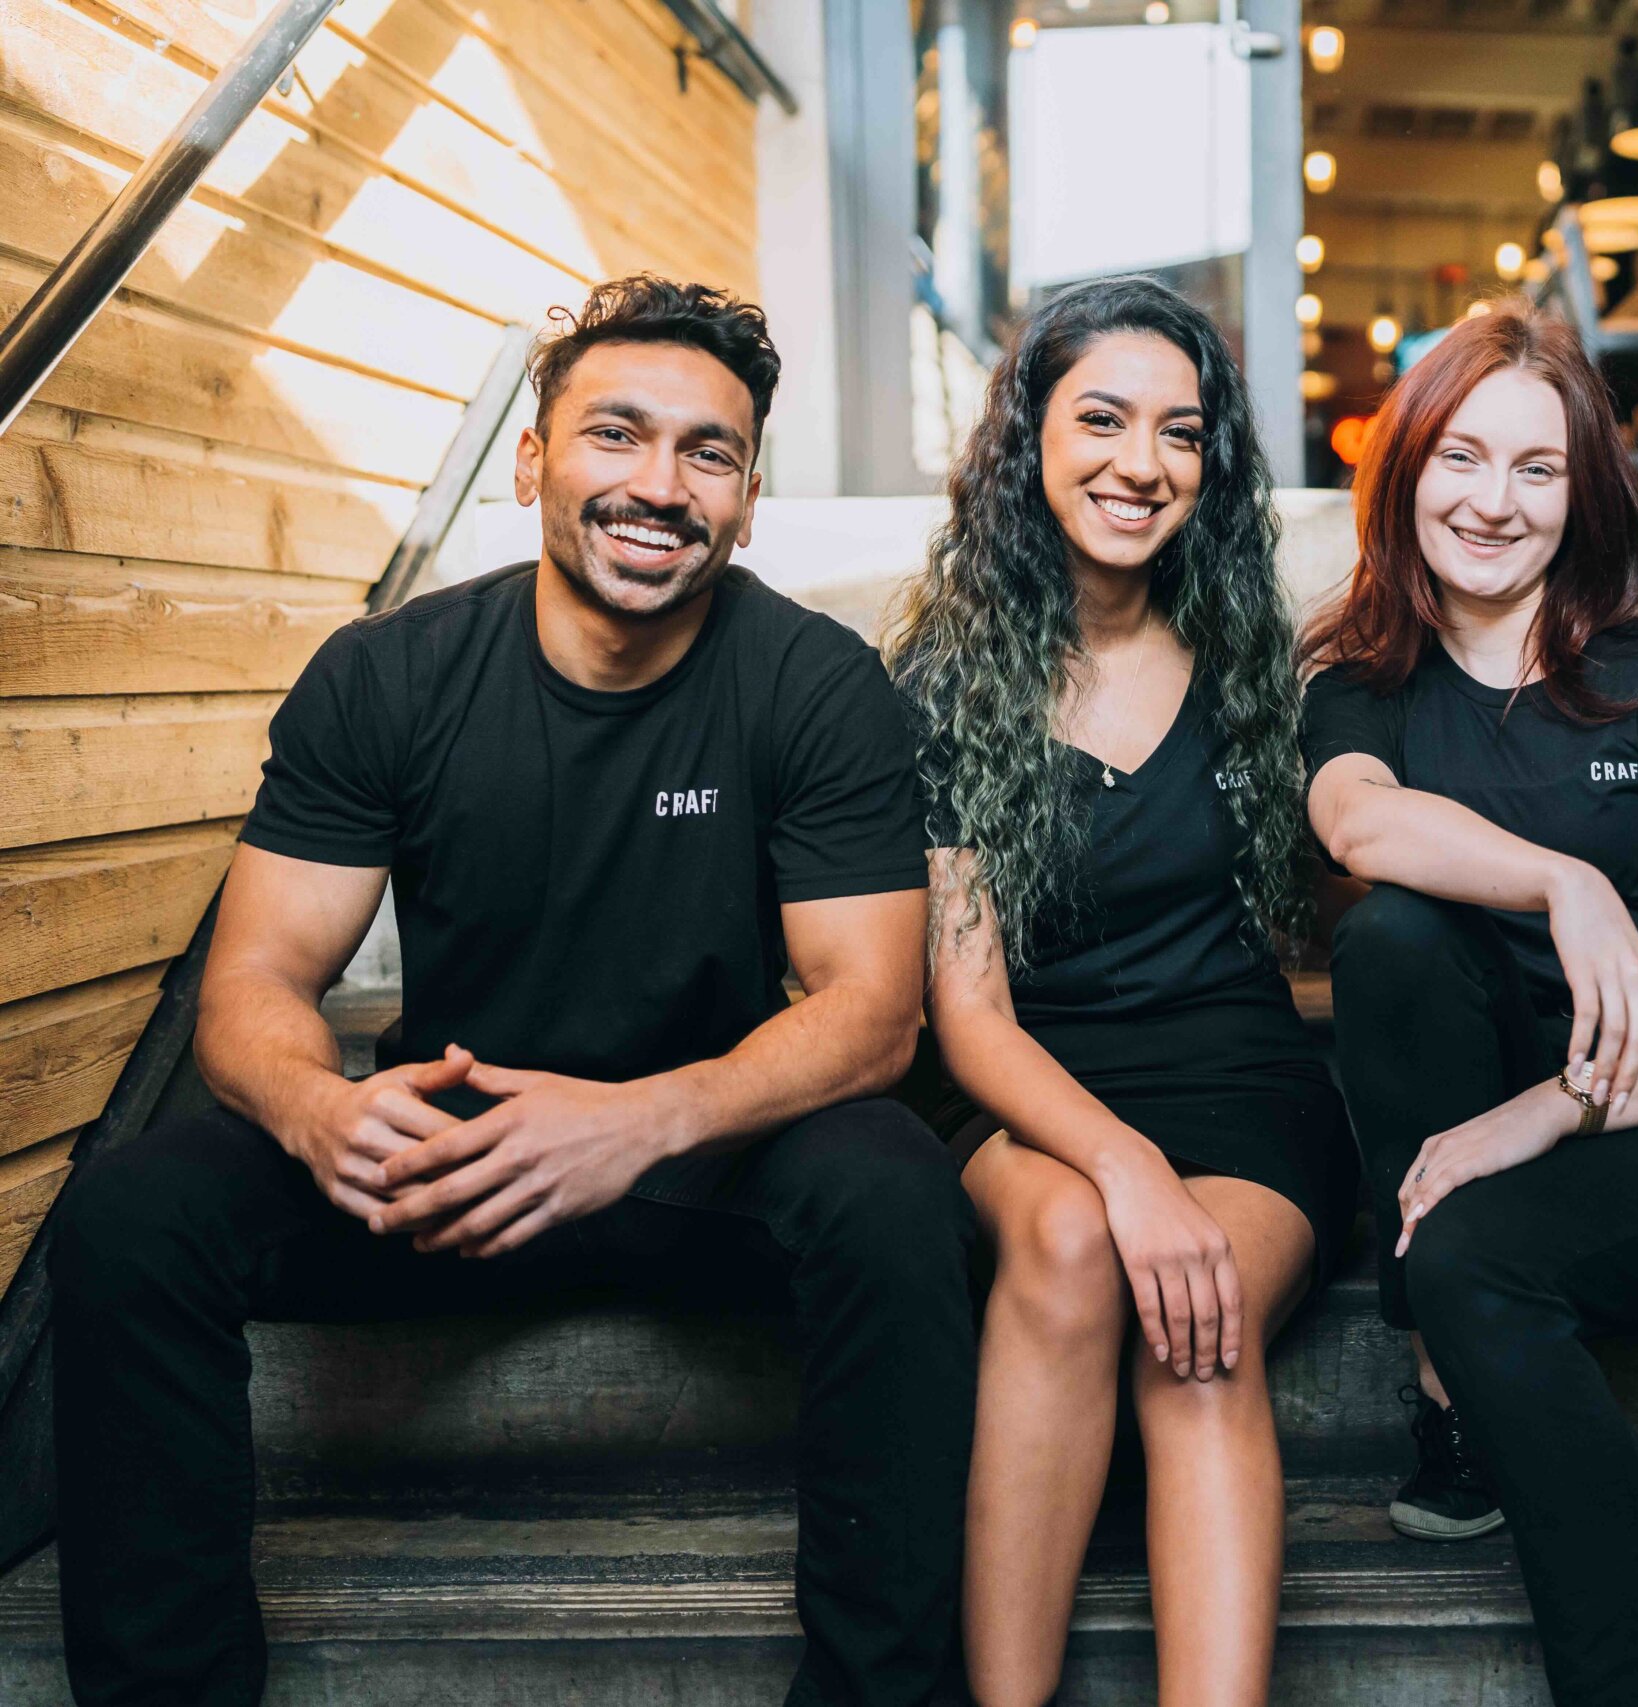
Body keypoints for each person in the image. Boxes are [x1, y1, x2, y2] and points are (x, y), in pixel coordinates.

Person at [46, 276, 978, 1707]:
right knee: (134, 1211)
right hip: (455, 1156)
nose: (658, 486)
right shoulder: (388, 677)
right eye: (616, 435)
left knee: (897, 1185)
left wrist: (636, 1124)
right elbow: (258, 980)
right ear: (536, 460)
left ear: (745, 498)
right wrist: (313, 1109)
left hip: (702, 1163)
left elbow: (874, 1010)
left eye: (707, 454)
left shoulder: (816, 683)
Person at [1300, 298, 1638, 1707]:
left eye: (1537, 468)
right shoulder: (1362, 686)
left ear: (1580, 493)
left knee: (1472, 1248)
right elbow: (1359, 828)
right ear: (1406, 470)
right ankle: (1449, 1393)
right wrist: (1565, 886)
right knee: (1395, 941)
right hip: (1463, 1083)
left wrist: (1536, 1118)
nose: (1494, 500)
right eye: (1462, 457)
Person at [886, 275, 1356, 1707]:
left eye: (1180, 432)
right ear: (1028, 437)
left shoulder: (1253, 661)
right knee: (1079, 1244)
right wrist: (1125, 1164)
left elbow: (1323, 902)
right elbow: (965, 1016)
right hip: (1022, 1085)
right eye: (1100, 419)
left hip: (1242, 1087)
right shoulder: (939, 681)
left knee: (1196, 1337)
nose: (1140, 463)